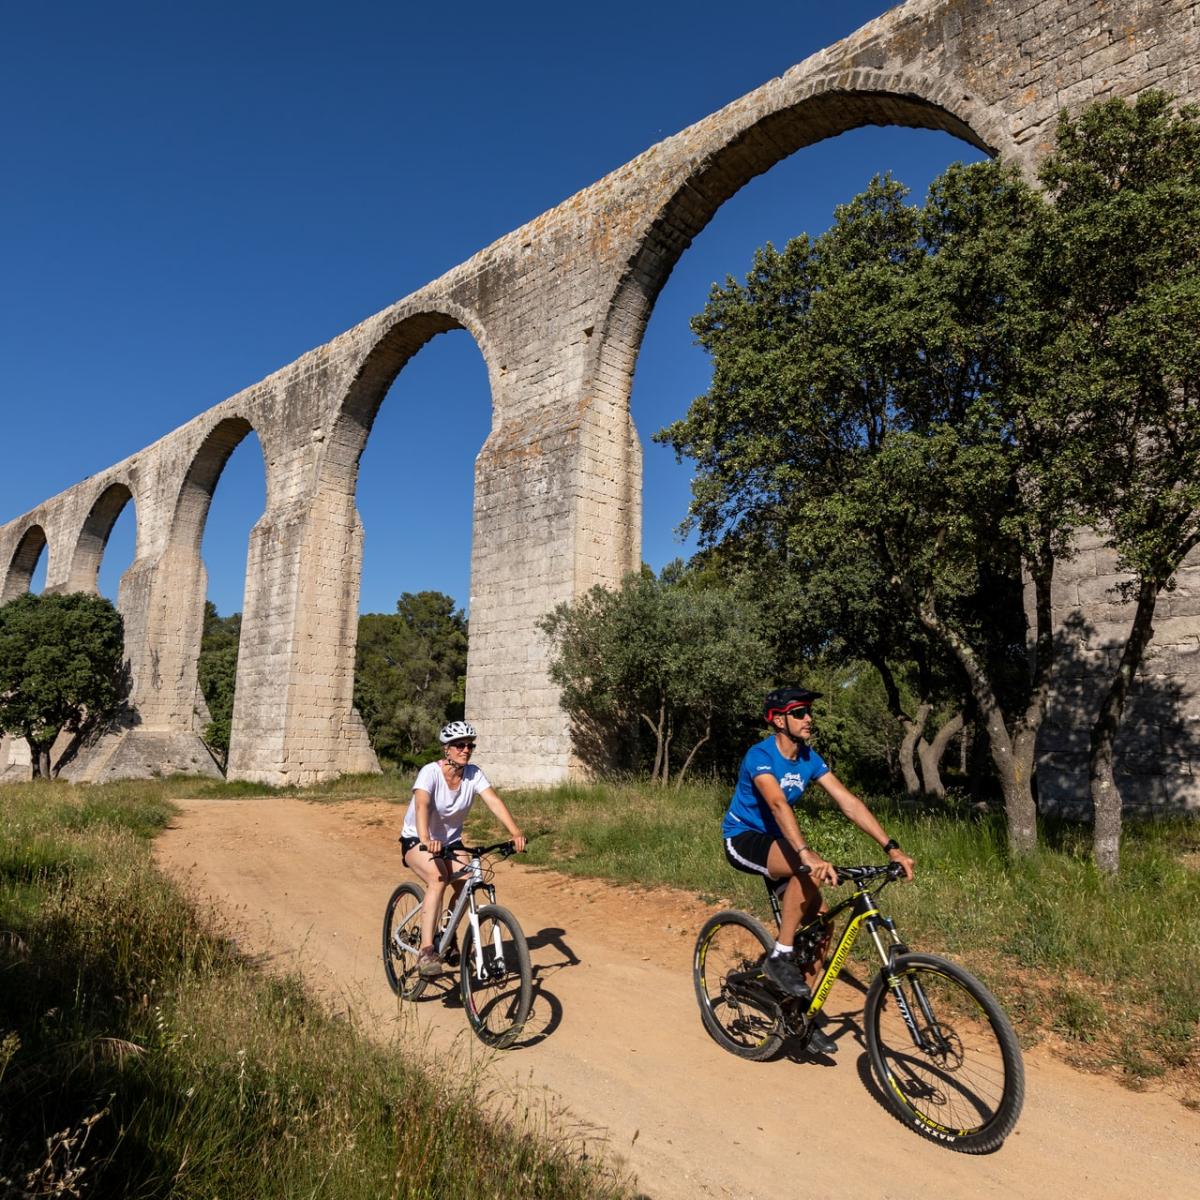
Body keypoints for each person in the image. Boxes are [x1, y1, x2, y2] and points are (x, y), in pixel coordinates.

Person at [722, 686, 915, 1054]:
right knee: (806, 871)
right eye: (799, 712)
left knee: (822, 926)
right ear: (778, 720)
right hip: (745, 838)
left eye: (809, 711)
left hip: (783, 845)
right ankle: (780, 955)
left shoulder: (809, 758)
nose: (808, 718)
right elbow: (778, 804)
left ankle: (799, 1017)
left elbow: (848, 802)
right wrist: (807, 853)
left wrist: (892, 848)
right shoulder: (760, 755)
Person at [400, 719, 527, 978]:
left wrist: (514, 832)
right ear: (446, 748)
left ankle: (446, 933)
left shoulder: (473, 774)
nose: (465, 750)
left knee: (469, 879)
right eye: (459, 745)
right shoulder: (430, 772)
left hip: (450, 841)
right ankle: (426, 950)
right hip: (417, 839)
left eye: (470, 745)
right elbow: (422, 804)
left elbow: (493, 801)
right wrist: (426, 839)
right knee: (438, 878)